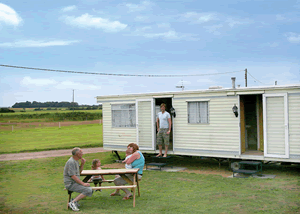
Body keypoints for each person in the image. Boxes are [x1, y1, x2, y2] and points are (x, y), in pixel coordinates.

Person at [63, 147, 93, 212]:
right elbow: (73, 176)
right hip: (70, 184)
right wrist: (83, 184)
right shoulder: (71, 162)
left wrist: (82, 164)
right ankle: (72, 203)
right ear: (78, 154)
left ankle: (74, 201)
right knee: (88, 190)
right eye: (81, 153)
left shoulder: (75, 161)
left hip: (74, 183)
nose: (82, 154)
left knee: (90, 188)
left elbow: (78, 173)